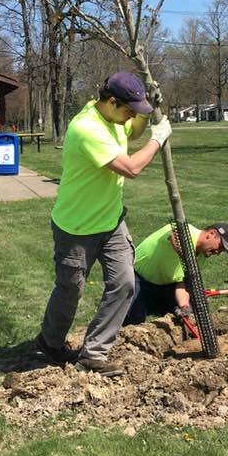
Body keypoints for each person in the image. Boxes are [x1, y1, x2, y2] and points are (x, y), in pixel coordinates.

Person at [36, 72, 172, 376]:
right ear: (112, 102)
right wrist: (158, 138)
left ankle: (93, 353)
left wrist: (147, 116)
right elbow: (131, 168)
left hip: (111, 221)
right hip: (76, 226)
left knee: (125, 284)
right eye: (129, 110)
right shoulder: (86, 129)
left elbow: (130, 132)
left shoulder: (115, 118)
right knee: (71, 289)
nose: (131, 117)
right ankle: (50, 341)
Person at [124, 221, 228, 325]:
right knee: (134, 321)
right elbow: (174, 234)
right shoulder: (188, 231)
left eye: (221, 251)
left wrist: (184, 306)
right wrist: (182, 250)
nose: (217, 252)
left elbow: (182, 282)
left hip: (164, 286)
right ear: (211, 234)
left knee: (192, 313)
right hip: (136, 278)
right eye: (220, 247)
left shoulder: (202, 258)